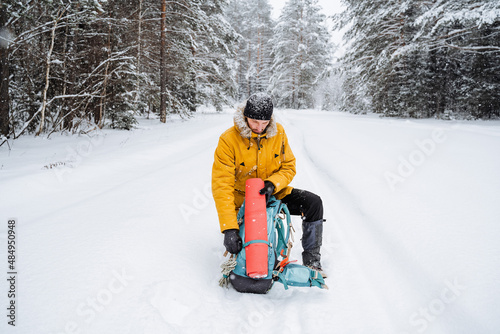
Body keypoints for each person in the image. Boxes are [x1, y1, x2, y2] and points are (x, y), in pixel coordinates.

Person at [211, 92, 326, 274]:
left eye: (264, 123)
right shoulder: (228, 140)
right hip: (244, 203)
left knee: (314, 203)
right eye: (255, 122)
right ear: (245, 116)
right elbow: (221, 185)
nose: (259, 127)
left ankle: (312, 260)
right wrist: (229, 229)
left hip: (274, 194)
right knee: (256, 252)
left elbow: (289, 166)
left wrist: (273, 183)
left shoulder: (278, 133)